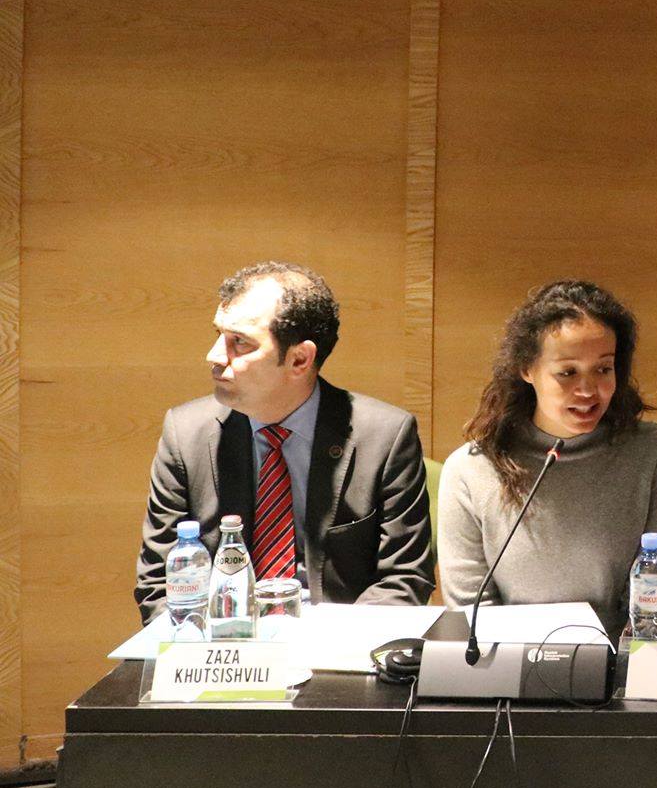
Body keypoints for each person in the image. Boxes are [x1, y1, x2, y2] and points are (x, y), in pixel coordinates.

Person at [135, 262, 434, 619]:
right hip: (221, 641)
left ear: (299, 359)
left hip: (338, 640)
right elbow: (159, 583)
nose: (213, 356)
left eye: (239, 342)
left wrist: (323, 643)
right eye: (218, 334)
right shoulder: (186, 434)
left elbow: (403, 579)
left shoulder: (384, 437)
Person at [438, 280, 657, 639]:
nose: (587, 390)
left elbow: (654, 594)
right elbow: (471, 610)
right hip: (507, 658)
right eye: (568, 372)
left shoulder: (654, 451)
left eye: (603, 369)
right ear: (527, 369)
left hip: (618, 656)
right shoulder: (470, 469)